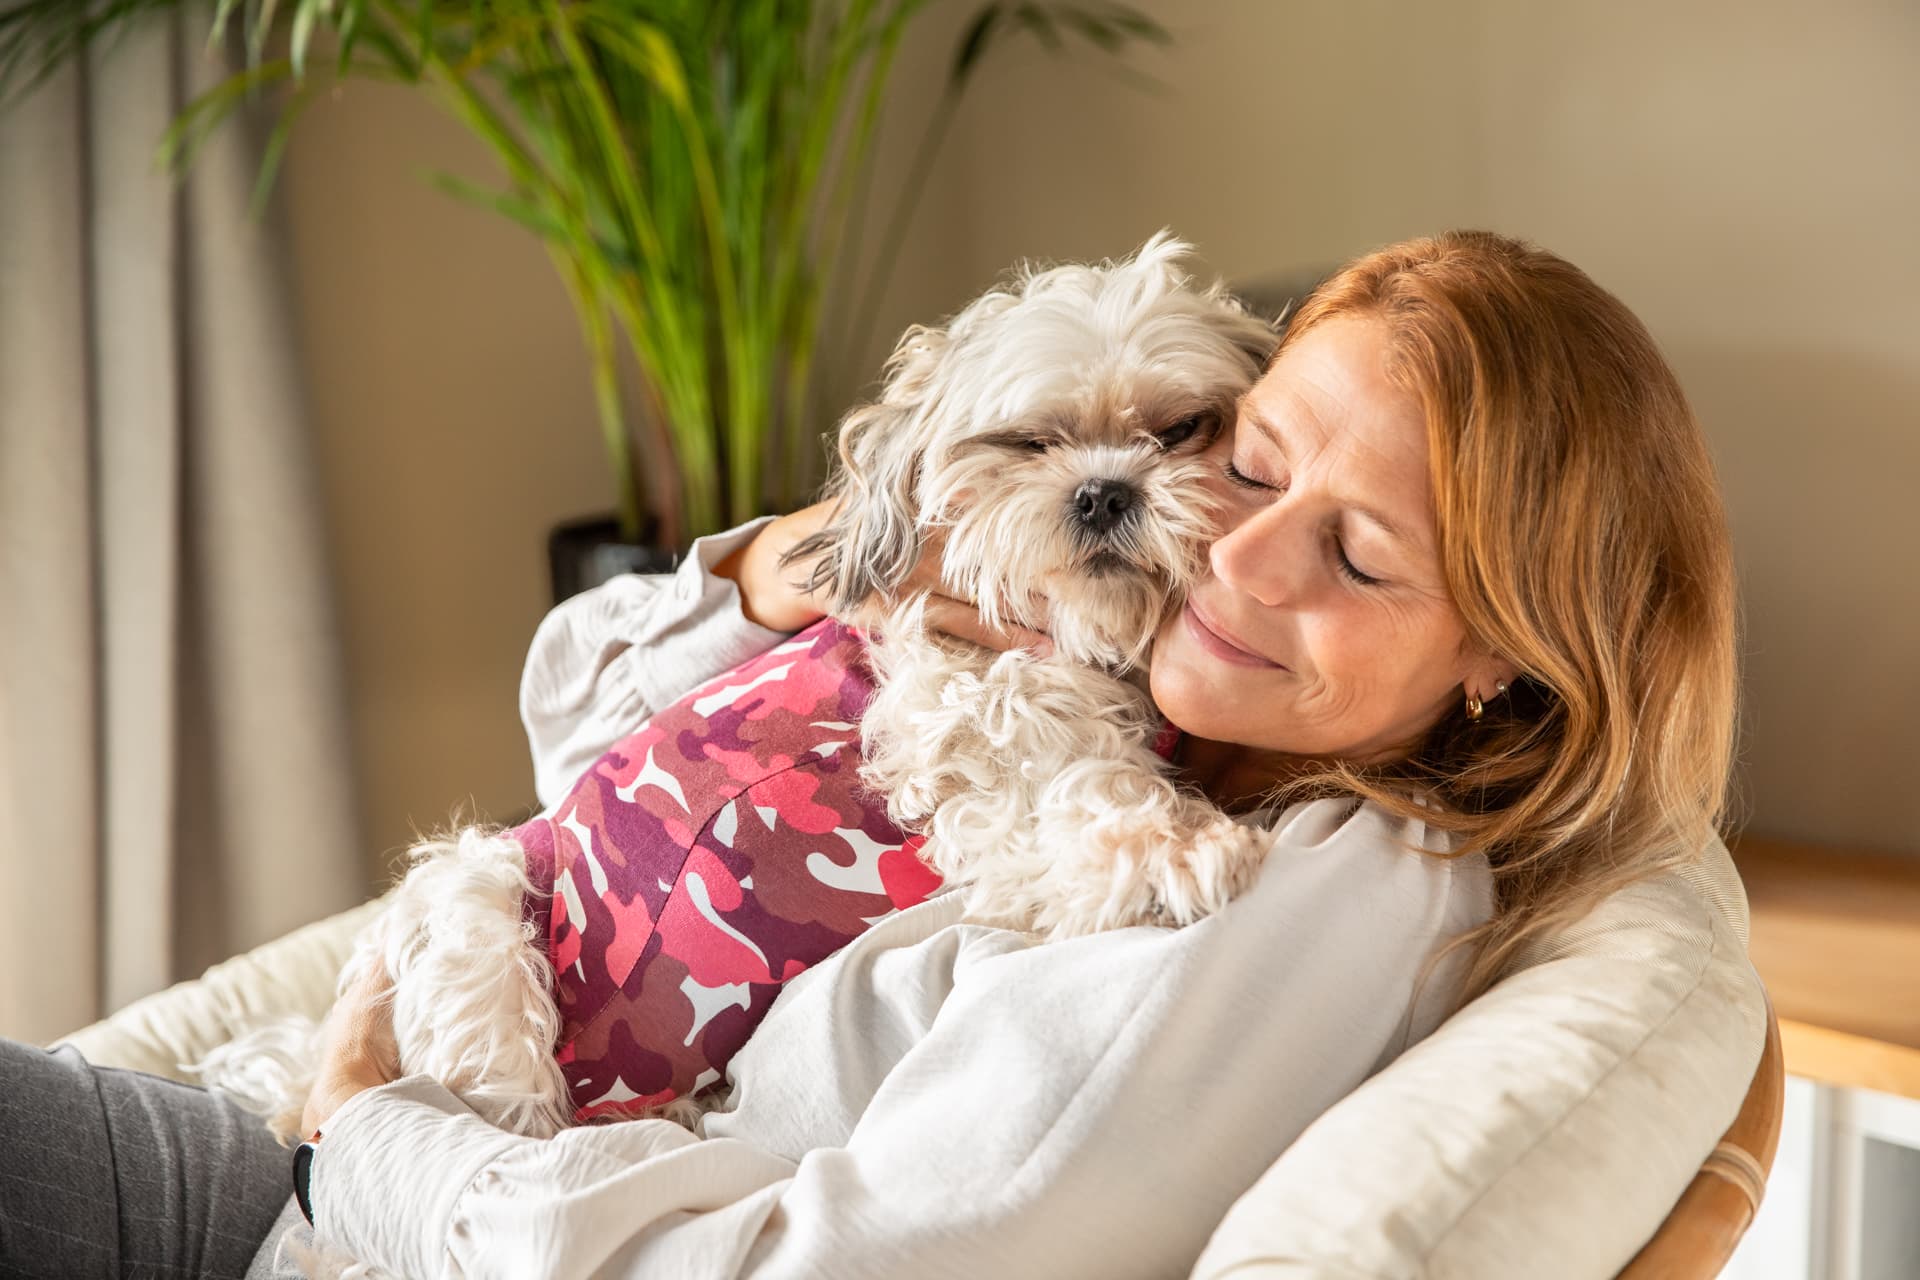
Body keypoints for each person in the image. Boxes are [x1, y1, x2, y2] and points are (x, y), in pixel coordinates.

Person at [0, 230, 1737, 1279]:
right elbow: (585, 740)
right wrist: (804, 562)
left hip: (405, 1198)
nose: (1239, 552)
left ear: (1506, 659)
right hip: (361, 1127)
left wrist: (363, 1137)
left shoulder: (1308, 898)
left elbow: (838, 1256)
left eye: (1357, 558)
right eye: (1255, 462)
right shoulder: (1126, 674)